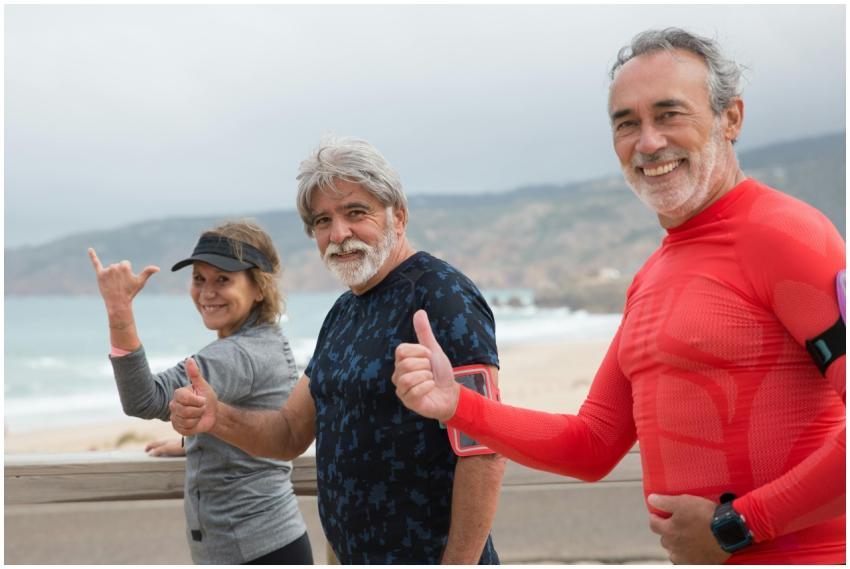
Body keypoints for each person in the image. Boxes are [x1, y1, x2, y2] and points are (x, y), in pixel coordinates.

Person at [392, 28, 845, 565]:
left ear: (731, 118)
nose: (648, 142)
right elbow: (592, 444)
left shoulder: (790, 237)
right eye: (626, 123)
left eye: (669, 114)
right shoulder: (652, 276)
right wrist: (458, 405)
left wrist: (740, 525)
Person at [169, 137, 505, 564]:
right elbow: (289, 432)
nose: (338, 234)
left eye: (356, 213)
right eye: (323, 220)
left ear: (398, 216)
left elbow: (483, 449)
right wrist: (217, 417)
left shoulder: (442, 296)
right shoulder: (343, 312)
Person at [88, 220, 313, 565]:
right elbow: (255, 419)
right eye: (199, 278)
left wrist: (119, 312)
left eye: (223, 279)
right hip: (272, 542)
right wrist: (197, 442)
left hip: (252, 552)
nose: (207, 292)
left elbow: (143, 398)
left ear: (259, 287)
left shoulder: (238, 354)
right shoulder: (267, 340)